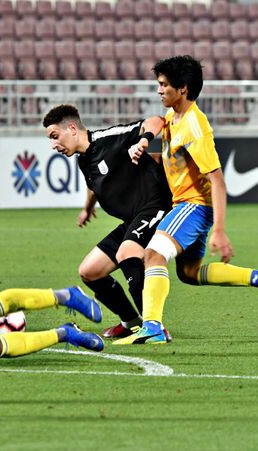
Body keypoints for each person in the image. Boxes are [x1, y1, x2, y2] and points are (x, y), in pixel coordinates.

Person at [116, 55, 258, 345]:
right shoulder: (174, 118)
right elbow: (164, 139)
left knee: (153, 255)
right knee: (189, 272)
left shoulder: (195, 126)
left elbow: (217, 179)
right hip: (188, 206)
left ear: (182, 88)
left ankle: (153, 327)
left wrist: (219, 230)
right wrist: (146, 149)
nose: (159, 90)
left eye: (164, 85)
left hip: (193, 205)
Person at [43, 105, 171, 339]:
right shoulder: (84, 160)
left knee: (127, 252)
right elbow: (94, 187)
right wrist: (87, 209)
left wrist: (144, 141)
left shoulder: (110, 138)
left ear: (72, 128)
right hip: (132, 219)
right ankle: (131, 322)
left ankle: (154, 326)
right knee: (89, 271)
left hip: (155, 206)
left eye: (54, 136)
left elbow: (156, 120)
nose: (53, 145)